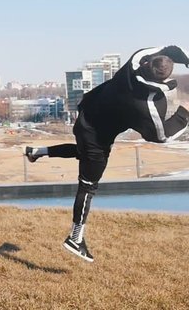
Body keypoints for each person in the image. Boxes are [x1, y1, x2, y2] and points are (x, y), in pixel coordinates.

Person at [24, 46, 189, 262]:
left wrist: (184, 58)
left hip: (85, 116)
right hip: (96, 138)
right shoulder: (148, 104)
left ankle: (36, 152)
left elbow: (165, 48)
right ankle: (75, 238)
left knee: (82, 154)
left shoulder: (134, 62)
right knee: (88, 186)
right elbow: (161, 136)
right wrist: (184, 113)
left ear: (149, 62)